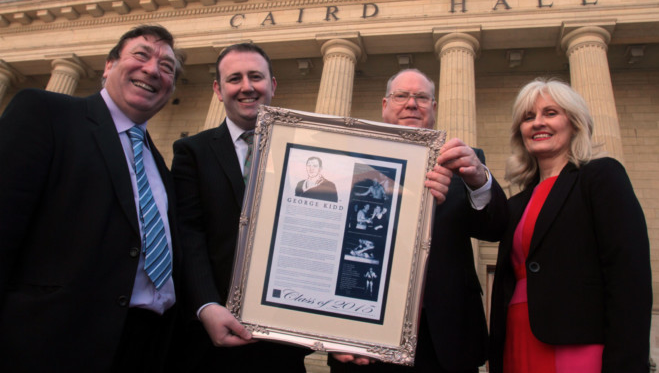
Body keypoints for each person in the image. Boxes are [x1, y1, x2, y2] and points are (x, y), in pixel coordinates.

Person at [0, 25, 185, 372]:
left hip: (140, 347)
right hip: (49, 345)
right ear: (108, 65)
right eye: (141, 55)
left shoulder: (158, 164)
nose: (152, 70)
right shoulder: (45, 113)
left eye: (167, 68)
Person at [329, 68, 508, 372]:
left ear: (434, 108)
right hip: (365, 334)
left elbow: (495, 229)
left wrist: (480, 181)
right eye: (402, 96)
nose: (412, 104)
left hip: (444, 338)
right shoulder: (348, 165)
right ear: (385, 105)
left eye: (422, 97)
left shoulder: (463, 163)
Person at [488, 78, 652, 373]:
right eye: (528, 117)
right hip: (518, 337)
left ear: (574, 123)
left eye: (550, 113)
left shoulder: (601, 177)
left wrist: (627, 362)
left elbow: (629, 277)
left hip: (577, 344)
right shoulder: (516, 203)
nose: (538, 123)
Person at [170, 43, 310, 371]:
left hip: (283, 340)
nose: (246, 86)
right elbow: (188, 233)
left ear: (272, 85)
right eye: (235, 78)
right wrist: (205, 304)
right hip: (209, 340)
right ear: (219, 90)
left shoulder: (306, 154)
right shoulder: (193, 151)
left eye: (256, 77)